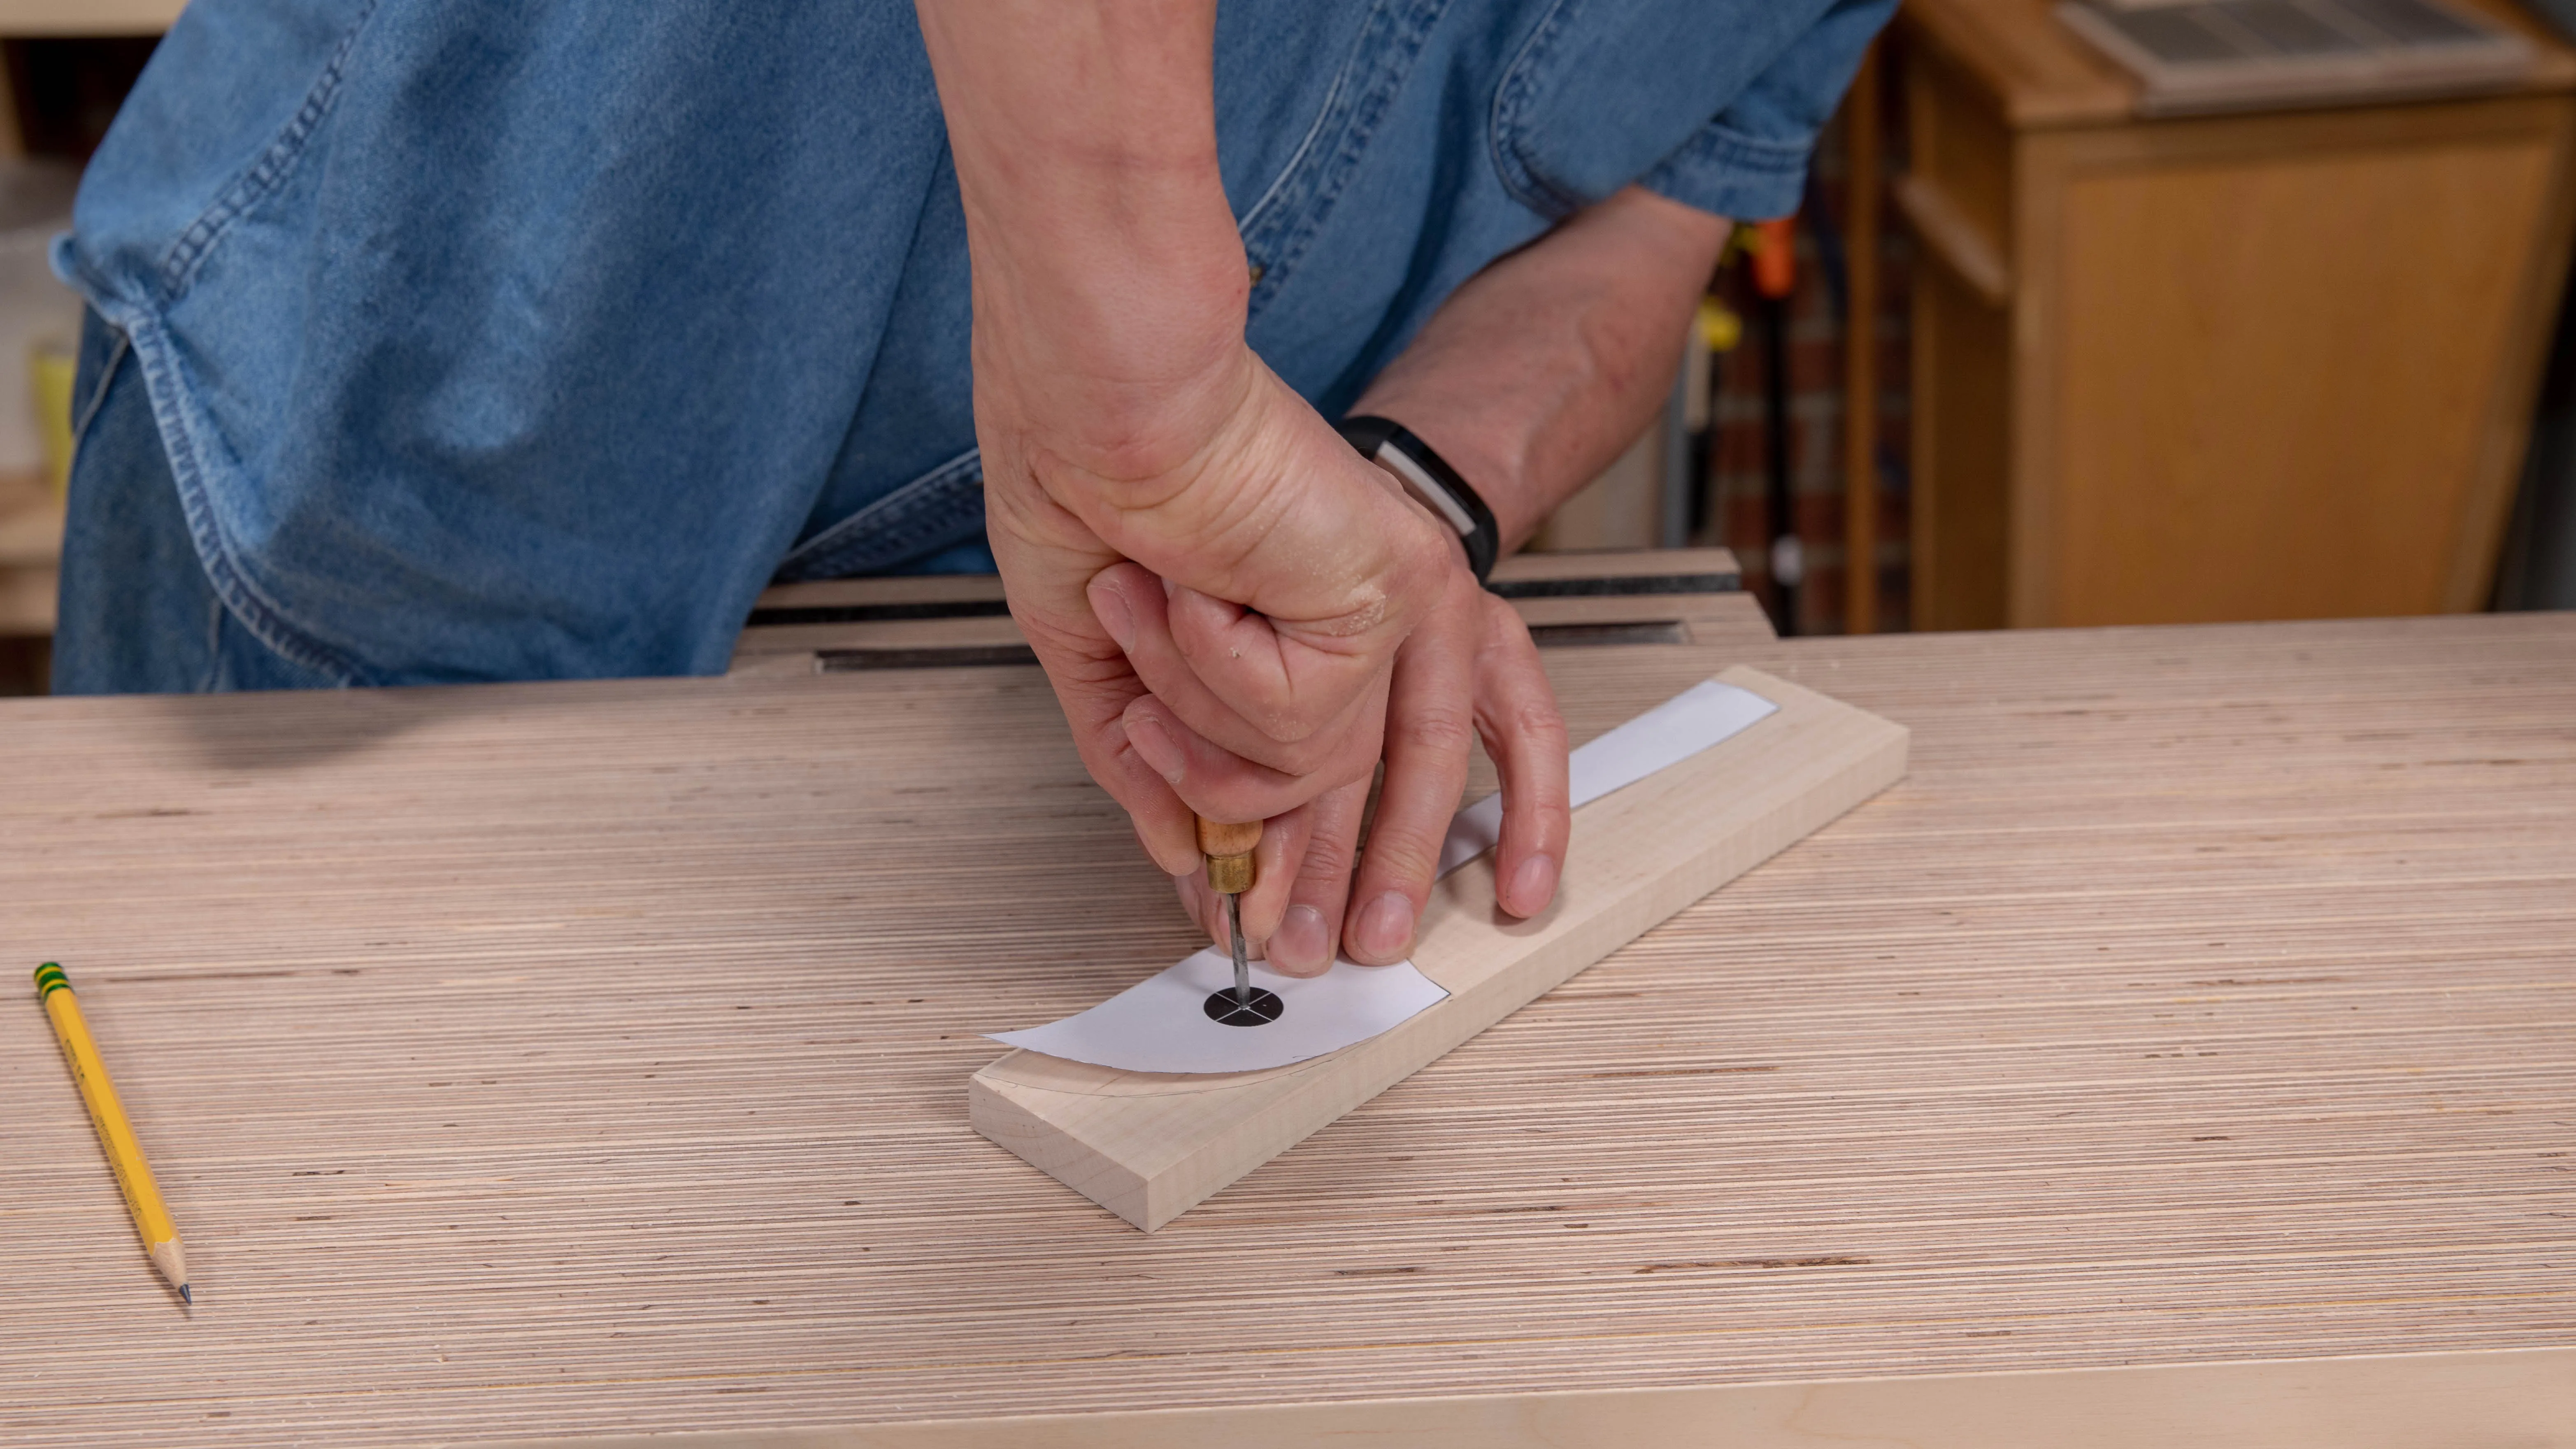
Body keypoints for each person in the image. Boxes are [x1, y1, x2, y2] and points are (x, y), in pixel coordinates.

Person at [51, 0, 1890, 974]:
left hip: (1045, 664)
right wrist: (1152, 397)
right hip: (455, 429)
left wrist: (1409, 492)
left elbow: (1655, 216)